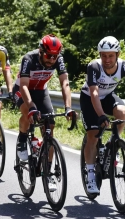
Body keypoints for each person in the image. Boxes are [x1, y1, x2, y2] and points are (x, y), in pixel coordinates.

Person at [80, 36, 125, 194]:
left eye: (110, 55)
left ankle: (112, 145)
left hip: (108, 96)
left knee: (122, 111)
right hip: (89, 99)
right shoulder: (94, 66)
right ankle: (90, 175)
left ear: (117, 54)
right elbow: (94, 93)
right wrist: (101, 115)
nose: (107, 59)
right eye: (103, 55)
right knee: (93, 136)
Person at [13, 34, 75, 164]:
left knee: (50, 125)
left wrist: (68, 107)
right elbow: (23, 85)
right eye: (48, 56)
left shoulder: (58, 60)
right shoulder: (29, 58)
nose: (52, 60)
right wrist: (31, 107)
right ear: (41, 51)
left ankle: (48, 170)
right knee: (28, 114)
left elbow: (65, 83)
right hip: (22, 90)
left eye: (55, 56)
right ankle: (22, 139)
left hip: (41, 91)